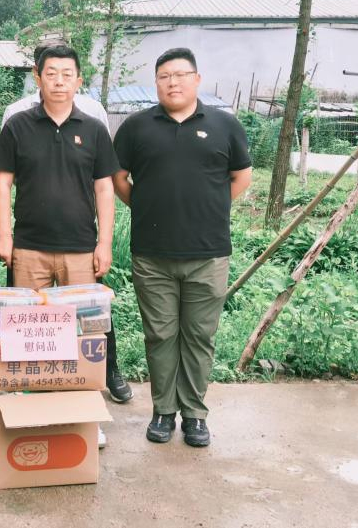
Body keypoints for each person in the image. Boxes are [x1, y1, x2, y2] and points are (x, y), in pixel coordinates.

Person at [113, 47, 252, 448]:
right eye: (164, 76)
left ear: (197, 79)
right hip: (151, 254)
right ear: (156, 82)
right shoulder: (136, 127)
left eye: (180, 75)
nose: (172, 82)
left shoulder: (225, 125)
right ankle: (163, 410)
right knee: (159, 335)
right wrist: (146, 206)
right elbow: (119, 178)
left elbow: (241, 177)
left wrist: (209, 208)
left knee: (199, 337)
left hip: (208, 254)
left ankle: (194, 414)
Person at [0, 45, 131, 421]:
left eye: (67, 74)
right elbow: (3, 183)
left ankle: (84, 415)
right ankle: (30, 412)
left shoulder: (94, 129)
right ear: (38, 78)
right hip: (29, 249)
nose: (58, 81)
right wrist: (5, 236)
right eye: (51, 73)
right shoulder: (18, 125)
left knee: (85, 333)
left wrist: (104, 243)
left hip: (80, 250)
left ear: (78, 80)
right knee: (28, 333)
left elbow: (104, 188)